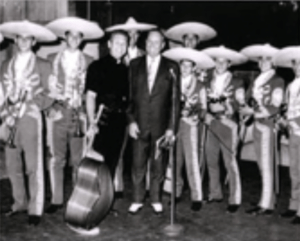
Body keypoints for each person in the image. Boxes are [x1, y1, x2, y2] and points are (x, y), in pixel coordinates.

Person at [45, 17, 103, 214]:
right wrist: (49, 108)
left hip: (79, 115)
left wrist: (90, 116)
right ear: (65, 36)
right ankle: (56, 199)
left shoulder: (90, 62)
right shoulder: (52, 58)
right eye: (71, 35)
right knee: (56, 158)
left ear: (82, 39)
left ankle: (77, 197)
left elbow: (93, 92)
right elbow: (43, 89)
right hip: (59, 113)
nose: (75, 39)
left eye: (79, 36)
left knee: (78, 159)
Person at [0, 20, 56, 226]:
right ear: (15, 40)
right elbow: (1, 93)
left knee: (34, 166)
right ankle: (19, 203)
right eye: (20, 37)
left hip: (31, 119)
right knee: (12, 164)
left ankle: (35, 208)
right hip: (10, 118)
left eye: (28, 38)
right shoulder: (5, 65)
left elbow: (51, 92)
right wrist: (5, 114)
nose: (24, 41)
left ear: (34, 41)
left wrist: (36, 103)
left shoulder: (43, 65)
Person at [127, 29, 180, 215]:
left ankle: (156, 198)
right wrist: (131, 121)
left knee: (158, 163)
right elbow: (129, 97)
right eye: (149, 42)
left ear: (163, 45)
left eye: (156, 42)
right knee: (138, 162)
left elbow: (174, 101)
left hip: (160, 124)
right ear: (145, 43)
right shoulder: (134, 65)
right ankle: (137, 198)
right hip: (138, 123)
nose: (152, 46)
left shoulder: (172, 67)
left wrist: (171, 128)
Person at [106, 17, 156, 195]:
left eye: (135, 34)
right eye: (129, 34)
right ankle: (116, 186)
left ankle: (146, 186)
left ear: (138, 36)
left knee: (143, 149)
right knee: (117, 149)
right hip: (119, 109)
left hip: (140, 109)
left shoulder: (145, 55)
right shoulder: (117, 55)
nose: (132, 37)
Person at [163, 47, 214, 211]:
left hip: (190, 125)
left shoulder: (200, 86)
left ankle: (196, 196)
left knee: (192, 161)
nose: (185, 69)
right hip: (173, 124)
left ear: (194, 68)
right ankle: (175, 192)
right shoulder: (173, 81)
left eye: (188, 66)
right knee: (174, 159)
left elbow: (204, 108)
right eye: (182, 65)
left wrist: (195, 114)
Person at [240, 44, 285, 215]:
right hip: (257, 125)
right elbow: (246, 101)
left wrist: (252, 111)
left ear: (273, 62)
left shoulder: (277, 80)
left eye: (267, 59)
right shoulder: (256, 81)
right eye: (261, 59)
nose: (263, 62)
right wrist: (245, 112)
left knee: (266, 166)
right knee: (261, 165)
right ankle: (268, 200)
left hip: (267, 126)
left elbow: (275, 106)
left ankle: (265, 204)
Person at [202, 46, 247, 213]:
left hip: (228, 124)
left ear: (229, 63)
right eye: (217, 61)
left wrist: (226, 107)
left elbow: (240, 104)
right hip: (211, 123)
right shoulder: (207, 81)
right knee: (211, 159)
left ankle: (234, 199)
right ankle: (215, 193)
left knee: (230, 163)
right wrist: (205, 112)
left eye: (223, 61)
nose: (220, 64)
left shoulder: (237, 82)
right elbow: (201, 101)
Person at [85, 30, 129, 202]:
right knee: (96, 165)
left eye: (124, 43)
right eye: (117, 42)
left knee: (111, 164)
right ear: (109, 44)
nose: (120, 46)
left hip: (119, 123)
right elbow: (90, 96)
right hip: (101, 121)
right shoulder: (97, 66)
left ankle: (103, 203)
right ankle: (90, 204)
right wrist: (91, 122)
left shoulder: (126, 70)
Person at [273, 46, 300, 224]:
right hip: (294, 133)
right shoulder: (291, 86)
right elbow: (287, 108)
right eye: (295, 64)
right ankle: (294, 205)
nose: (298, 67)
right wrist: (281, 119)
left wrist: (292, 121)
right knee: (294, 171)